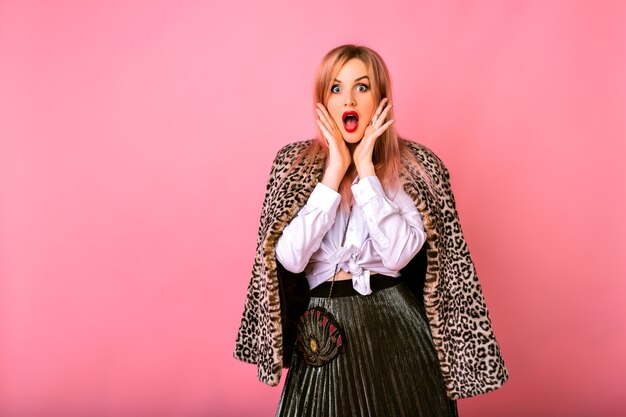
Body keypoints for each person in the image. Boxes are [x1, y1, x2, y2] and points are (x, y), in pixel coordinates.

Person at [234, 44, 508, 417]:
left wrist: (366, 170)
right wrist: (333, 172)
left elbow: (398, 255)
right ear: (322, 101)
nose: (349, 98)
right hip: (324, 332)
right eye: (336, 88)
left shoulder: (414, 167)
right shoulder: (292, 163)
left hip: (398, 330)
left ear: (380, 98)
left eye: (361, 87)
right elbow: (291, 259)